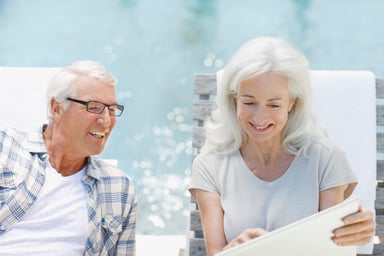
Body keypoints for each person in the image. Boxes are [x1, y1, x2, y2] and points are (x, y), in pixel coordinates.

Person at [188, 37, 375, 256]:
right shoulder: (209, 165)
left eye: (274, 104)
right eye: (248, 102)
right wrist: (235, 249)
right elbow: (215, 252)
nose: (260, 118)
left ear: (292, 103)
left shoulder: (325, 158)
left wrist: (358, 229)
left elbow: (331, 248)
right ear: (234, 99)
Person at [0, 61, 137, 255]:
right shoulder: (5, 149)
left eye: (112, 109)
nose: (106, 121)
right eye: (94, 107)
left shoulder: (119, 186)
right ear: (57, 108)